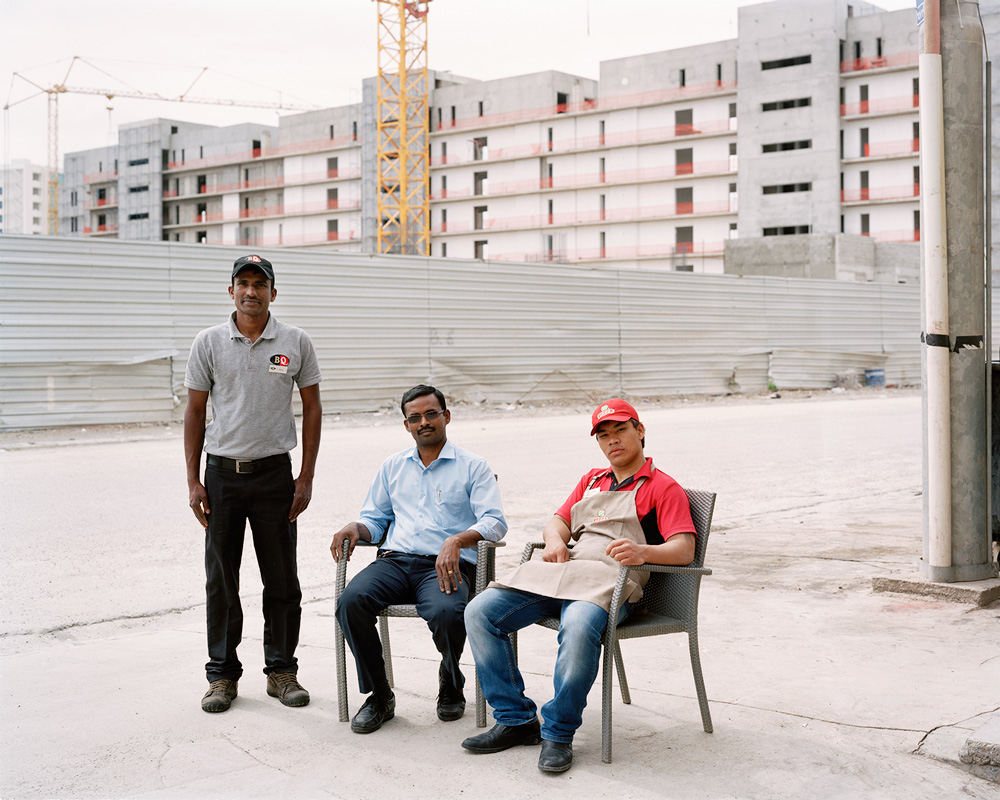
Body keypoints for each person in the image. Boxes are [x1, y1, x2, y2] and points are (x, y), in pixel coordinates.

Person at [461, 398, 695, 773]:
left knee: (579, 624)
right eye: (603, 435)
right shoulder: (591, 480)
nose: (612, 440)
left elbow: (684, 549)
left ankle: (558, 733)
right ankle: (516, 719)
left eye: (620, 429)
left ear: (640, 431)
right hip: (566, 572)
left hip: (611, 582)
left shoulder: (662, 488)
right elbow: (558, 521)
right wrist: (555, 540)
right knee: (479, 611)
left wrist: (643, 551)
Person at [184, 254, 322, 714]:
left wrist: (305, 475)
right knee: (221, 580)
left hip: (275, 476)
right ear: (231, 292)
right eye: (242, 283)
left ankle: (282, 671)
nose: (251, 291)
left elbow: (313, 408)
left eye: (260, 284)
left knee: (282, 578)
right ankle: (221, 676)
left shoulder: (295, 341)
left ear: (273, 293)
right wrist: (193, 480)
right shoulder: (208, 343)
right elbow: (195, 413)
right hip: (222, 476)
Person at [331, 385, 507, 734]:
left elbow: (495, 522)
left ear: (446, 416)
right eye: (415, 418)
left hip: (446, 566)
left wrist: (458, 539)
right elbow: (377, 519)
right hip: (395, 562)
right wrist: (357, 526)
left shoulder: (473, 466)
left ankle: (450, 679)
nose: (424, 422)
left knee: (448, 613)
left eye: (431, 414)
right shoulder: (393, 466)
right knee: (350, 602)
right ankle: (380, 696)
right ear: (407, 425)